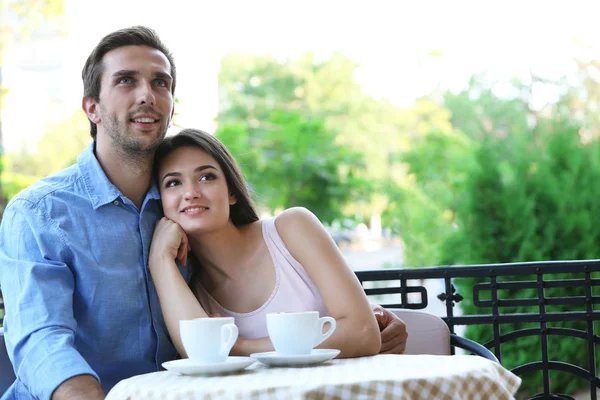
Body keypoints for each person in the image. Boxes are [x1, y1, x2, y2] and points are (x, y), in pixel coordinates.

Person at [0, 26, 406, 400]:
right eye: (126, 80)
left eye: (161, 82)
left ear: (172, 106)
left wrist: (370, 323)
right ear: (91, 107)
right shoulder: (40, 212)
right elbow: (42, 340)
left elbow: (259, 283)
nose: (147, 94)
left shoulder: (185, 210)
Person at [149, 128, 381, 358]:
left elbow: (362, 332)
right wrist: (159, 260)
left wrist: (242, 347)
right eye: (173, 183)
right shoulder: (190, 291)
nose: (190, 193)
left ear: (232, 192)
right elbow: (200, 354)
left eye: (206, 177)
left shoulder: (292, 229)